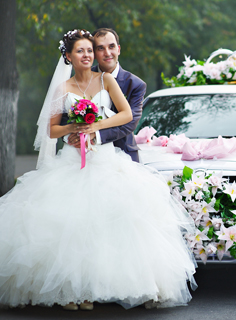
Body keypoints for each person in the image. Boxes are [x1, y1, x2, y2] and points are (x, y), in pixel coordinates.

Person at [0, 29, 196, 311]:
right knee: (70, 224)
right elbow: (52, 129)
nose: (88, 55)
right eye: (80, 51)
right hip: (71, 160)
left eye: (89, 51)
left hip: (104, 158)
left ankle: (95, 289)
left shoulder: (105, 80)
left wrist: (94, 126)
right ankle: (70, 291)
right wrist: (73, 127)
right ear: (68, 57)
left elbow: (126, 115)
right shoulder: (62, 89)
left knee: (105, 224)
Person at [64, 28, 146, 162]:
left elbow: (129, 123)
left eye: (111, 47)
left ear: (118, 49)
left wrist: (94, 134)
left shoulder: (136, 84)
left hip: (124, 155)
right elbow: (66, 112)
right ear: (94, 53)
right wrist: (70, 135)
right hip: (85, 155)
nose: (107, 53)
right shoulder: (82, 77)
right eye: (101, 48)